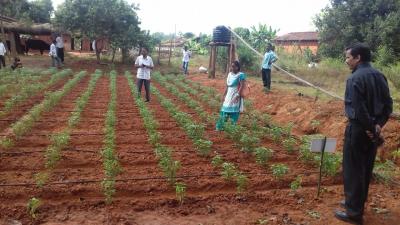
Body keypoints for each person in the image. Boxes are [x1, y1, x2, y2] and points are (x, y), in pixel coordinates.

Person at [334, 43, 392, 224]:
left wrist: (368, 128)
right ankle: (356, 202)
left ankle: (354, 212)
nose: (346, 61)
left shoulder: (354, 79)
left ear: (358, 58)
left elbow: (358, 110)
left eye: (348, 58)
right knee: (365, 168)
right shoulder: (379, 75)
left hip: (359, 130)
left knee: (353, 169)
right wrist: (377, 126)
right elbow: (388, 105)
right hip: (373, 129)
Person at [216, 60, 246, 131]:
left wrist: (237, 95)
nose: (232, 68)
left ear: (237, 67)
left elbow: (242, 86)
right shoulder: (229, 74)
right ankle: (220, 127)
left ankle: (232, 128)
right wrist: (224, 95)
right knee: (224, 110)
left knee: (234, 112)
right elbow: (227, 86)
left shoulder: (241, 75)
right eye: (231, 66)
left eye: (234, 66)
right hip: (229, 94)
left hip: (235, 94)